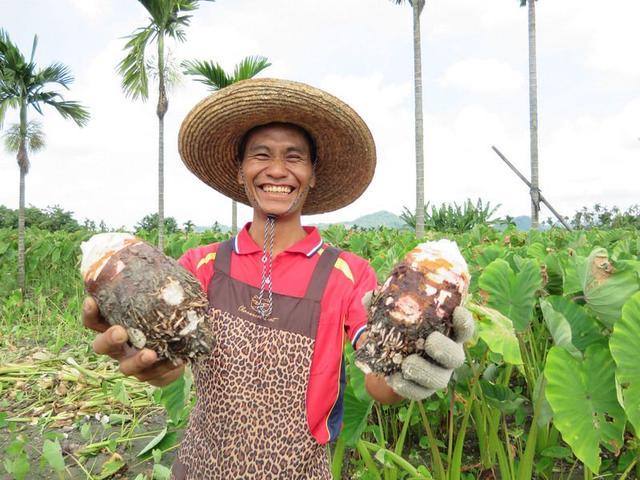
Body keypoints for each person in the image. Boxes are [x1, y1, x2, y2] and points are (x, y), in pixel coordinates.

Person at [83, 78, 474, 479]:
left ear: (313, 174)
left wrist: (412, 369)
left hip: (299, 469)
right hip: (201, 465)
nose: (276, 170)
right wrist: (151, 365)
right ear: (240, 171)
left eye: (294, 157)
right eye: (261, 155)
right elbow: (170, 365)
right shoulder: (200, 266)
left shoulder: (350, 273)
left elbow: (378, 383)